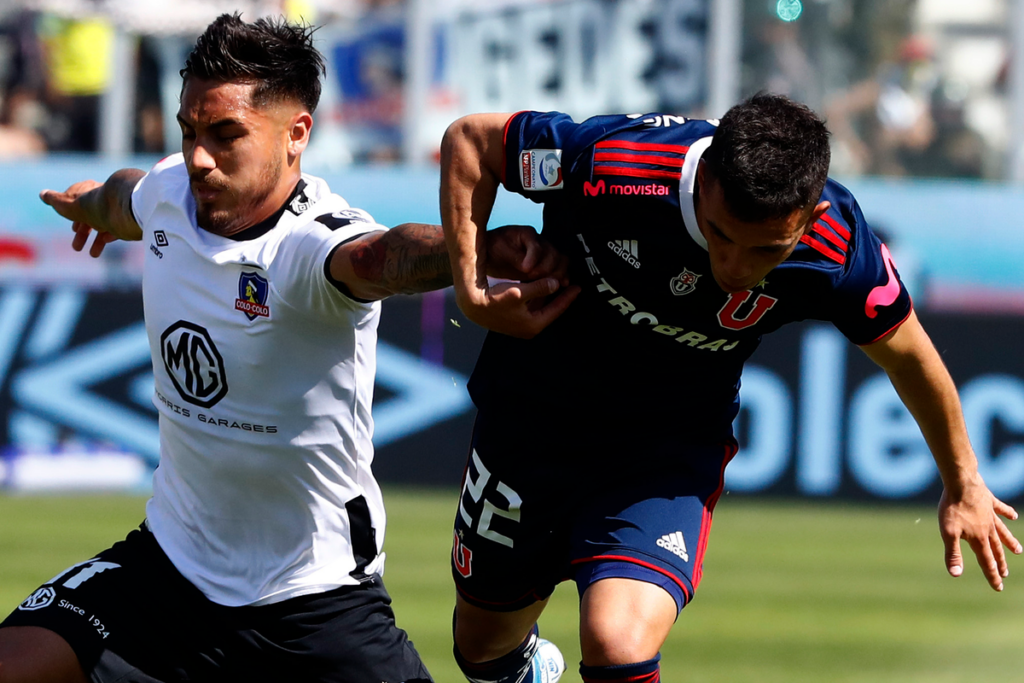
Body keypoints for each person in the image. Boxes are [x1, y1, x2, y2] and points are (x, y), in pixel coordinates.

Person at [0, 14, 566, 683]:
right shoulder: (171, 193)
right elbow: (130, 195)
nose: (199, 157)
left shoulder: (310, 242)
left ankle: (523, 668)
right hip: (169, 572)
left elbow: (385, 256)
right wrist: (91, 205)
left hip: (314, 602)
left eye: (225, 134)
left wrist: (481, 249)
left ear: (298, 134)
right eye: (188, 131)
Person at [438, 93, 1021, 683]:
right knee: (483, 646)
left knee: (618, 644)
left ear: (811, 216)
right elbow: (472, 141)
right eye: (720, 234)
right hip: (532, 419)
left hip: (665, 451)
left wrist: (964, 482)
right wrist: (470, 286)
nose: (736, 267)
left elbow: (911, 358)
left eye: (766, 249)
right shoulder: (617, 164)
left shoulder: (840, 246)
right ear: (704, 180)